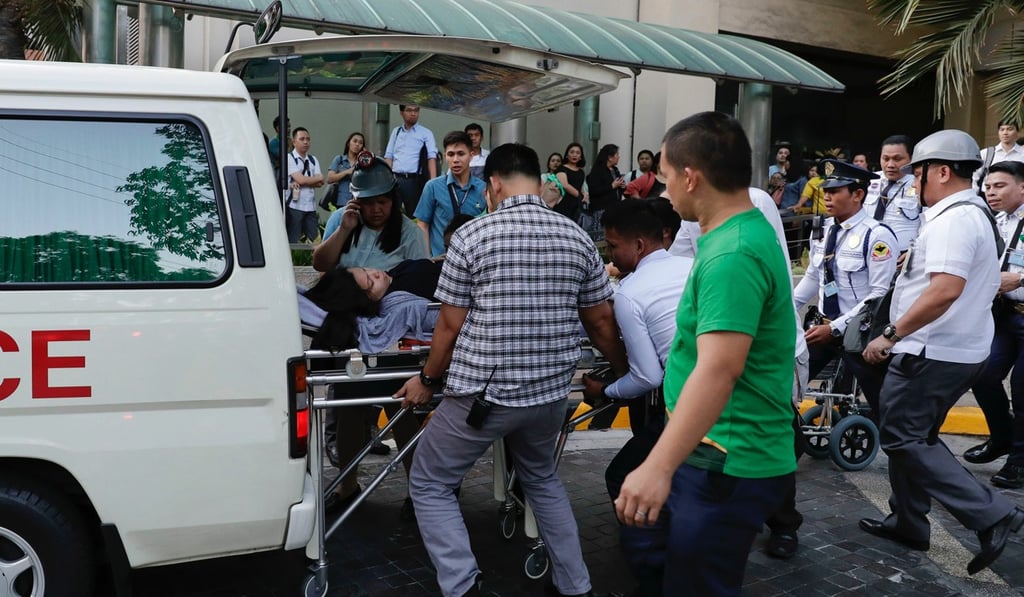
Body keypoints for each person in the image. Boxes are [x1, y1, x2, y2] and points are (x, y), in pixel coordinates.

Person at [394, 143, 628, 597]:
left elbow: (449, 324)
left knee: (429, 480)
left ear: (494, 184)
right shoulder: (576, 237)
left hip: (484, 396)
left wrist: (426, 381)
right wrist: (621, 371)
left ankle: (463, 585)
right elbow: (601, 321)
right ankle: (575, 586)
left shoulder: (472, 237)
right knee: (541, 479)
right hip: (548, 397)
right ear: (540, 183)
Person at [614, 112, 796, 596]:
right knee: (653, 555)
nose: (665, 190)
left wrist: (658, 465)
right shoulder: (733, 234)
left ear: (691, 177)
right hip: (710, 449)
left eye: (668, 177)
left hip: (724, 458)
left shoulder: (733, 252)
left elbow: (719, 368)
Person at [860, 129, 1023, 576]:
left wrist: (891, 334)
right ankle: (909, 522)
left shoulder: (954, 218)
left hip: (933, 350)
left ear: (942, 171)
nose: (915, 182)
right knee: (917, 437)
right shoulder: (965, 215)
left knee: (901, 435)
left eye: (919, 173)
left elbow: (945, 290)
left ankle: (993, 514)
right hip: (954, 348)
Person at [582, 200, 691, 596]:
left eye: (613, 247)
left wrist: (605, 390)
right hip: (723, 400)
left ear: (640, 245)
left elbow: (647, 376)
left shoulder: (629, 293)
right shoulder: (693, 266)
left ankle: (652, 572)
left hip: (684, 406)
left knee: (622, 477)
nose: (610, 255)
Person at [791, 159, 896, 417]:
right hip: (822, 329)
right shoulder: (826, 230)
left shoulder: (877, 235)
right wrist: (786, 307)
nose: (827, 197)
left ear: (858, 194)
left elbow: (879, 294)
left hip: (859, 334)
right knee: (787, 385)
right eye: (825, 191)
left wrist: (835, 328)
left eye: (835, 191)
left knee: (883, 406)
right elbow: (813, 277)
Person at [964, 161, 1024, 486]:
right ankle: (1002, 437)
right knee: (982, 374)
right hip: (1005, 315)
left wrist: (1020, 278)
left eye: (999, 186)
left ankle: (1019, 461)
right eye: (988, 186)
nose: (990, 192)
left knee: (1022, 390)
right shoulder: (997, 221)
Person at [313, 152, 428, 273]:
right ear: (356, 200)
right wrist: (343, 230)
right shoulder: (340, 219)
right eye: (368, 203)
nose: (376, 209)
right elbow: (320, 266)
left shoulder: (411, 233)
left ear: (393, 200)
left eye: (382, 202)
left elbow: (420, 279)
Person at [414, 131, 487, 257]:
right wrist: (427, 259)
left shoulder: (483, 188)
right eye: (451, 154)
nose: (455, 160)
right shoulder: (432, 187)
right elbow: (422, 225)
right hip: (440, 261)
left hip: (473, 261)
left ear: (471, 155)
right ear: (445, 156)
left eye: (461, 154)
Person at [863, 135, 920, 254]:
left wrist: (915, 251)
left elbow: (928, 225)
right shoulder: (870, 180)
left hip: (902, 256)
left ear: (911, 158)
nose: (890, 165)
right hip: (868, 253)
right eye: (885, 158)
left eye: (897, 159)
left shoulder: (920, 183)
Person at [385, 104, 438, 216]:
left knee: (414, 214)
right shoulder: (396, 131)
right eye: (409, 110)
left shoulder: (426, 133)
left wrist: (433, 182)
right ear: (401, 112)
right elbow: (389, 156)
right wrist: (387, 178)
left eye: (416, 110)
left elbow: (431, 158)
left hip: (414, 180)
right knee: (392, 213)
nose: (413, 113)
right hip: (395, 178)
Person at [285, 127, 324, 243]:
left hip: (310, 206)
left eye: (308, 139)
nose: (306, 142)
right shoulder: (289, 158)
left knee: (314, 241)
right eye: (302, 139)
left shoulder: (313, 159)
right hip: (294, 206)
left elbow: (321, 181)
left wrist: (303, 181)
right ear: (294, 141)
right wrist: (312, 180)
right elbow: (302, 180)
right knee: (293, 240)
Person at [974, 120, 1024, 195]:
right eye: (1002, 129)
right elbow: (974, 176)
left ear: (1017, 132)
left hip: (1017, 197)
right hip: (988, 196)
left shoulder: (1022, 153)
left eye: (1010, 129)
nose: (1005, 133)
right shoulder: (987, 153)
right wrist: (975, 195)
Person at [325, 132, 365, 210]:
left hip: (358, 201)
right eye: (355, 141)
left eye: (360, 143)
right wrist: (347, 172)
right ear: (348, 143)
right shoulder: (339, 159)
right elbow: (330, 178)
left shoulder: (363, 162)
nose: (357, 144)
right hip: (341, 201)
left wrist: (365, 155)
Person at [555, 142, 587, 223]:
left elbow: (581, 187)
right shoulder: (561, 168)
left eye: (578, 153)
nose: (574, 155)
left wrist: (585, 195)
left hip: (576, 207)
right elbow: (565, 185)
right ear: (567, 155)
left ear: (581, 157)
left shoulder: (581, 172)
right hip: (562, 205)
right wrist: (580, 195)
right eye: (572, 152)